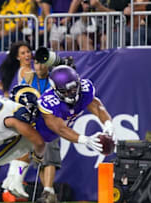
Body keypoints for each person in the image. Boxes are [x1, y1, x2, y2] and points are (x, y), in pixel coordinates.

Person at [34, 65, 114, 202]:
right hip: (39, 129)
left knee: (47, 159)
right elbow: (60, 129)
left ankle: (48, 192)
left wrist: (108, 123)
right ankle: (19, 183)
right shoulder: (48, 102)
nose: (72, 93)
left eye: (74, 88)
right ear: (56, 90)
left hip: (57, 129)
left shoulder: (84, 87)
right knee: (35, 159)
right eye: (66, 91)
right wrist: (85, 140)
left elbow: (97, 106)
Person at [1, 47, 57, 202]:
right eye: (23, 53)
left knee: (29, 153)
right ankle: (14, 182)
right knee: (26, 153)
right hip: (32, 118)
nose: (27, 56)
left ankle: (13, 181)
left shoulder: (32, 73)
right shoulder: (27, 73)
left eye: (28, 52)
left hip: (39, 119)